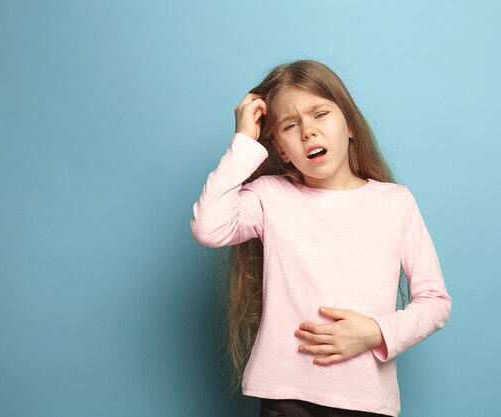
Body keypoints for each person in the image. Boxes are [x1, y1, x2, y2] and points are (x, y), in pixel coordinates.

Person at [190, 59, 452, 417]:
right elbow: (209, 226)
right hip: (286, 396)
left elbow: (435, 301)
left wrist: (376, 332)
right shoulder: (270, 195)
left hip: (364, 400)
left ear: (350, 126)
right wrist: (243, 141)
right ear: (280, 149)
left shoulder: (395, 202)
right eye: (291, 125)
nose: (308, 132)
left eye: (320, 114)